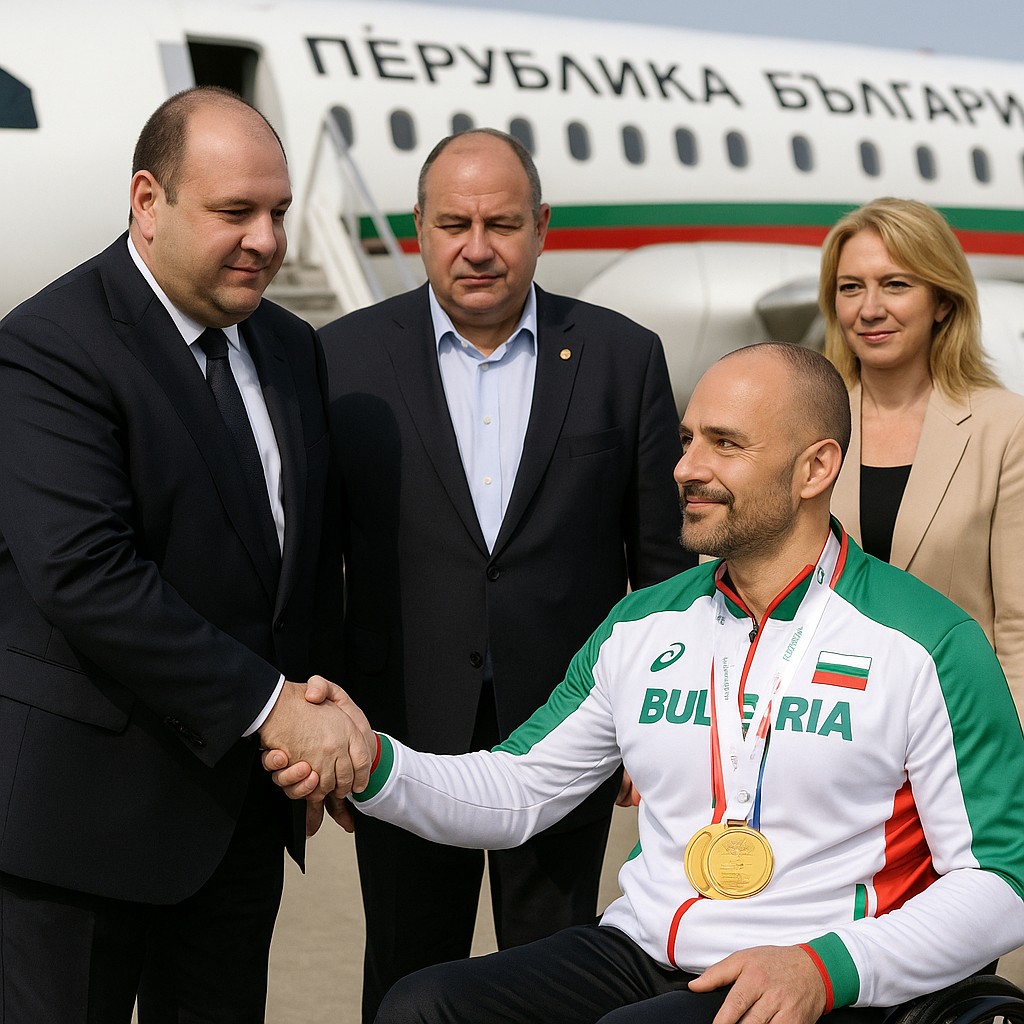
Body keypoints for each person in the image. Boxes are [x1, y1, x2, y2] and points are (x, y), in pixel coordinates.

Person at [271, 342, 1024, 1024]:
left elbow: (1001, 880)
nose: (686, 467)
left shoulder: (928, 641)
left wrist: (828, 968)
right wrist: (372, 762)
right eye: (688, 440)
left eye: (725, 444)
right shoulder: (641, 623)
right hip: (642, 951)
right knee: (422, 1006)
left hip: (816, 973)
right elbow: (521, 787)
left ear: (815, 469)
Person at [0, 87, 373, 1022]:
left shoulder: (289, 346)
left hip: (236, 820)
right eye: (233, 211)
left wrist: (320, 715)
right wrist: (275, 711)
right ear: (147, 201)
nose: (265, 240)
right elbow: (86, 574)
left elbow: (299, 562)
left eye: (279, 212)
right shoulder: (49, 346)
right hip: (80, 830)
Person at [315, 127, 691, 1020]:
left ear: (542, 226)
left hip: (569, 730)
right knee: (406, 971)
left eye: (502, 224)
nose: (477, 248)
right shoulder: (340, 360)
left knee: (555, 976)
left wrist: (656, 722)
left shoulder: (621, 357)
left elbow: (664, 566)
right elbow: (318, 563)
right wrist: (326, 718)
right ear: (419, 227)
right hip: (402, 731)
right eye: (454, 224)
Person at [821, 197, 1024, 722]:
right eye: (851, 287)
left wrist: (1009, 748)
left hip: (955, 728)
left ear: (943, 302)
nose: (869, 309)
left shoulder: (1006, 428)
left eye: (895, 284)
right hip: (820, 727)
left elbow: (1017, 625)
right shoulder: (802, 425)